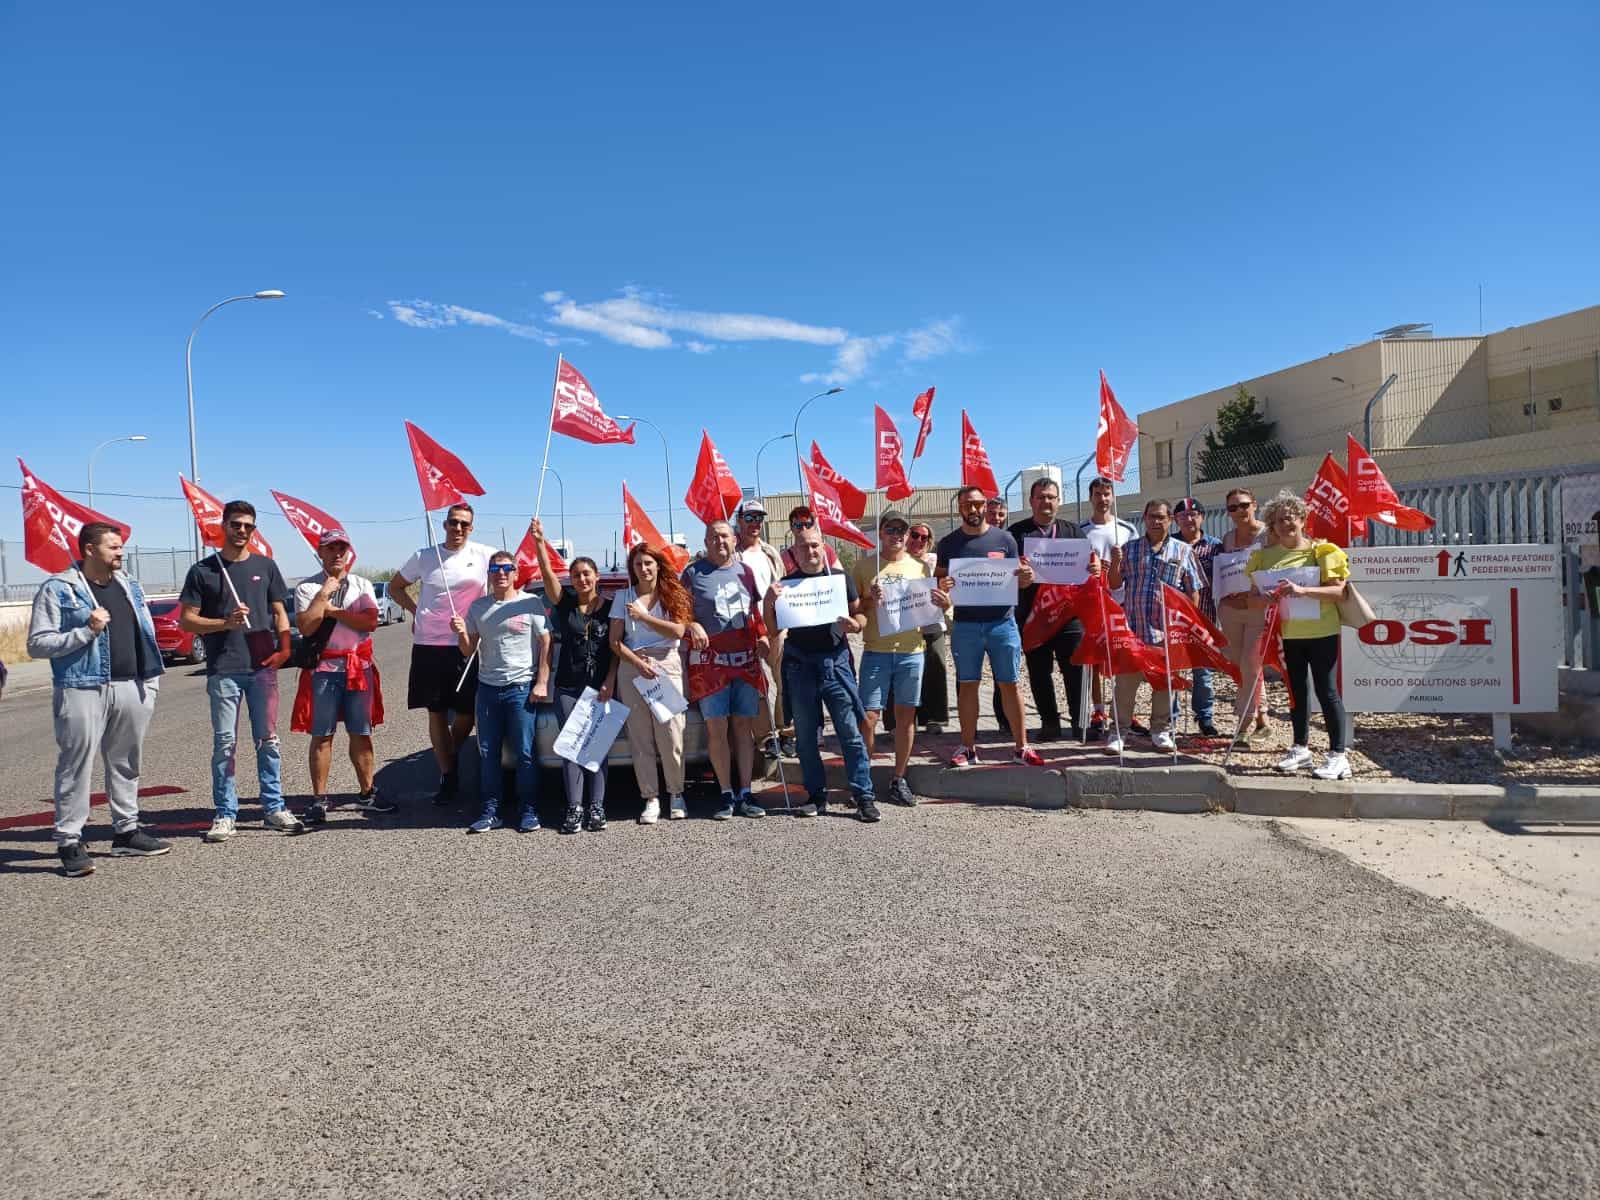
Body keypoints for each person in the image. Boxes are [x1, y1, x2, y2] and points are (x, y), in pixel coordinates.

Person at [28, 522, 170, 876]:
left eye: (121, 546)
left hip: (132, 684)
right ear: (90, 549)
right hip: (82, 687)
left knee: (126, 762)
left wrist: (150, 682)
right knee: (75, 765)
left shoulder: (129, 584)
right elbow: (37, 643)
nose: (121, 552)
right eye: (113, 547)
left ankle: (126, 832)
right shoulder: (59, 588)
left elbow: (143, 632)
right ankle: (69, 840)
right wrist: (86, 631)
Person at [179, 500, 306, 842]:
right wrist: (225, 622)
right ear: (224, 526)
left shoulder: (265, 566)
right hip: (224, 670)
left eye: (248, 526)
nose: (242, 531)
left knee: (268, 741)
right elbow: (187, 620)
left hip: (262, 669)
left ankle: (274, 808)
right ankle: (225, 813)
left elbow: (279, 611)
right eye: (236, 524)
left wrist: (285, 649)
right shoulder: (203, 571)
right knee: (225, 744)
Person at [389, 502, 496, 806]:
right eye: (453, 522)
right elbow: (396, 588)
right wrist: (416, 611)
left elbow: (512, 576)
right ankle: (448, 776)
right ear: (445, 524)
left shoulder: (485, 555)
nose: (458, 528)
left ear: (471, 528)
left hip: (467, 643)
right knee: (436, 711)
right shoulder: (424, 557)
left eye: (464, 523)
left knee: (467, 712)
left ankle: (448, 753)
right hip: (429, 644)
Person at [769, 526, 878, 820]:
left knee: (850, 733)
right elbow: (774, 629)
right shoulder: (786, 585)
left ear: (824, 547)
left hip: (834, 663)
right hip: (800, 666)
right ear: (795, 551)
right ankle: (816, 796)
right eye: (804, 546)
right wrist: (769, 601)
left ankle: (864, 796)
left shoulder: (840, 579)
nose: (811, 551)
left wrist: (856, 625)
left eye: (815, 545)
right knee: (805, 738)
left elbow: (860, 613)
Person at [1246, 491, 1352, 780]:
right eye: (1279, 520)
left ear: (1303, 519)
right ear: (1272, 525)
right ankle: (1300, 748)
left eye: (1290, 518)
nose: (1286, 524)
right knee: (1296, 691)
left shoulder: (1323, 551)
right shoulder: (1263, 557)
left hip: (1322, 631)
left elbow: (1339, 591)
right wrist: (1267, 598)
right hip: (1288, 634)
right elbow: (1252, 599)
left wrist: (1303, 590)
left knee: (1326, 690)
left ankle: (1338, 755)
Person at [935, 484, 1043, 768]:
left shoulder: (1005, 539)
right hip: (966, 625)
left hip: (1002, 622)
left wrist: (1026, 578)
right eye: (967, 504)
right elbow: (939, 578)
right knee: (968, 685)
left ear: (985, 505)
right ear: (959, 508)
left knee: (1010, 683)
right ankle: (968, 748)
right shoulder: (948, 543)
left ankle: (1021, 747)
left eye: (978, 503)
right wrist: (943, 585)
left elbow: (1019, 577)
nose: (973, 509)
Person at [292, 529, 394, 825]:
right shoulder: (307, 588)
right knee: (322, 736)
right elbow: (307, 627)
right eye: (331, 548)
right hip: (323, 672)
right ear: (320, 552)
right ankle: (319, 800)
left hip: (357, 669)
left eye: (342, 548)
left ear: (348, 552)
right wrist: (323, 594)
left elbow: (370, 621)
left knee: (361, 733)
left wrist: (333, 611)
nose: (337, 553)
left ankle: (367, 793)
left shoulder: (362, 584)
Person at [852, 508, 949, 806]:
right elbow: (854, 608)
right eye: (891, 530)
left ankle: (898, 778)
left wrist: (943, 603)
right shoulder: (864, 567)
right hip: (876, 651)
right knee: (868, 718)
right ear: (880, 533)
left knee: (906, 718)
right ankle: (864, 781)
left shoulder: (920, 568)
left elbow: (929, 609)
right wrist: (869, 599)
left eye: (901, 531)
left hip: (911, 652)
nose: (897, 535)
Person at [454, 550, 552, 833]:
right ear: (489, 573)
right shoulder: (478, 607)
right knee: (488, 754)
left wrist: (542, 681)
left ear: (515, 572)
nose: (501, 574)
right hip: (487, 690)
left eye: (507, 568)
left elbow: (546, 642)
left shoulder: (531, 602)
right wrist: (461, 633)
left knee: (524, 752)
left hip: (521, 688)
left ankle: (529, 810)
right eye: (495, 569)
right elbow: (468, 650)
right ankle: (490, 811)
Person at [530, 518, 617, 833]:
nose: (582, 579)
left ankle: (597, 807)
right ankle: (574, 808)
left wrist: (610, 681)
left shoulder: (611, 608)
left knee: (597, 748)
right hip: (567, 686)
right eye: (576, 574)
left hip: (600, 688)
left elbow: (616, 649)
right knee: (572, 748)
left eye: (586, 573)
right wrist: (540, 542)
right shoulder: (565, 605)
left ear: (596, 577)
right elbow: (548, 576)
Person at [682, 520, 768, 820]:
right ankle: (725, 793)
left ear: (734, 539)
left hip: (745, 662)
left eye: (724, 536)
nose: (719, 541)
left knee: (743, 728)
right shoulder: (693, 574)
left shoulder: (745, 572)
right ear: (705, 541)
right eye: (713, 537)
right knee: (716, 729)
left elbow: (755, 613)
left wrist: (763, 637)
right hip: (710, 667)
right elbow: (679, 613)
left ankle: (745, 791)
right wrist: (691, 625)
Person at [1104, 499, 1203, 755]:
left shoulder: (1183, 551)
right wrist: (1115, 563)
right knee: (1125, 686)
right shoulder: (1129, 549)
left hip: (1166, 633)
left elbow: (1193, 590)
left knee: (1165, 685)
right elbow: (1114, 584)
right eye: (1151, 516)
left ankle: (1161, 731)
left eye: (1161, 517)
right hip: (1133, 631)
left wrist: (1186, 626)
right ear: (1144, 519)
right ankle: (1118, 732)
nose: (1156, 521)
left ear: (1170, 520)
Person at [610, 542, 692, 824]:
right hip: (633, 666)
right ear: (632, 568)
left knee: (671, 733)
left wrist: (643, 617)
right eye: (638, 564)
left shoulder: (672, 593)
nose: (643, 568)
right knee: (640, 736)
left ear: (658, 565)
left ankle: (676, 793)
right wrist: (637, 663)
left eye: (648, 563)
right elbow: (615, 642)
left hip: (666, 665)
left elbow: (678, 631)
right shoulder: (623, 597)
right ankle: (651, 797)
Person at [1010, 478, 1090, 741]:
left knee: (1076, 670)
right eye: (1041, 497)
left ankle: (1081, 724)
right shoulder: (1016, 533)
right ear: (1031, 501)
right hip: (1033, 616)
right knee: (1039, 673)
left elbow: (1087, 567)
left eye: (1051, 497)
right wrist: (1017, 577)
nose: (1046, 501)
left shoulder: (1074, 532)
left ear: (1059, 501)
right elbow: (1006, 572)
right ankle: (1050, 724)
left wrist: (1093, 568)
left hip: (1069, 616)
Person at [1080, 477, 1138, 740]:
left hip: (1121, 601)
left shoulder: (1126, 529)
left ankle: (1124, 710)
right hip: (1093, 602)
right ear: (1090, 497)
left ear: (1113, 497)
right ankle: (1098, 710)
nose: (1102, 499)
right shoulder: (1081, 530)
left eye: (1106, 494)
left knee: (1123, 657)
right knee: (1094, 658)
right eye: (1097, 494)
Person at [1215, 487, 1271, 745]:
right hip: (1231, 609)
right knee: (1243, 666)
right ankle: (1262, 715)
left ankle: (1244, 722)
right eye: (1233, 507)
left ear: (1255, 505)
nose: (1239, 511)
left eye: (1244, 505)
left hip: (1258, 609)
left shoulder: (1268, 534)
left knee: (1250, 663)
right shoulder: (1227, 539)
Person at [735, 498, 788, 760]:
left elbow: (783, 583)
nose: (755, 523)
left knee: (784, 679)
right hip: (746, 626)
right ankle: (766, 737)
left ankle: (785, 732)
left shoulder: (770, 553)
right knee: (758, 686)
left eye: (759, 518)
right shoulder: (733, 554)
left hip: (776, 623)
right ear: (739, 521)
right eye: (749, 517)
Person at [1171, 497, 1223, 737]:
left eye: (1193, 514)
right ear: (1175, 519)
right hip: (1174, 619)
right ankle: (1170, 718)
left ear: (1202, 517)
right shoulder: (1169, 544)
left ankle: (1205, 717)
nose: (1188, 519)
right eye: (1182, 515)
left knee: (1203, 673)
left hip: (1204, 618)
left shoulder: (1215, 547)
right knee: (1172, 671)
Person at [906, 520, 949, 734]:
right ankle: (907, 720)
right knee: (908, 673)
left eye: (924, 537)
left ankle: (934, 719)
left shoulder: (935, 561)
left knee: (935, 669)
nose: (919, 540)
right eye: (914, 535)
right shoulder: (898, 560)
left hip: (932, 623)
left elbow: (949, 583)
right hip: (906, 627)